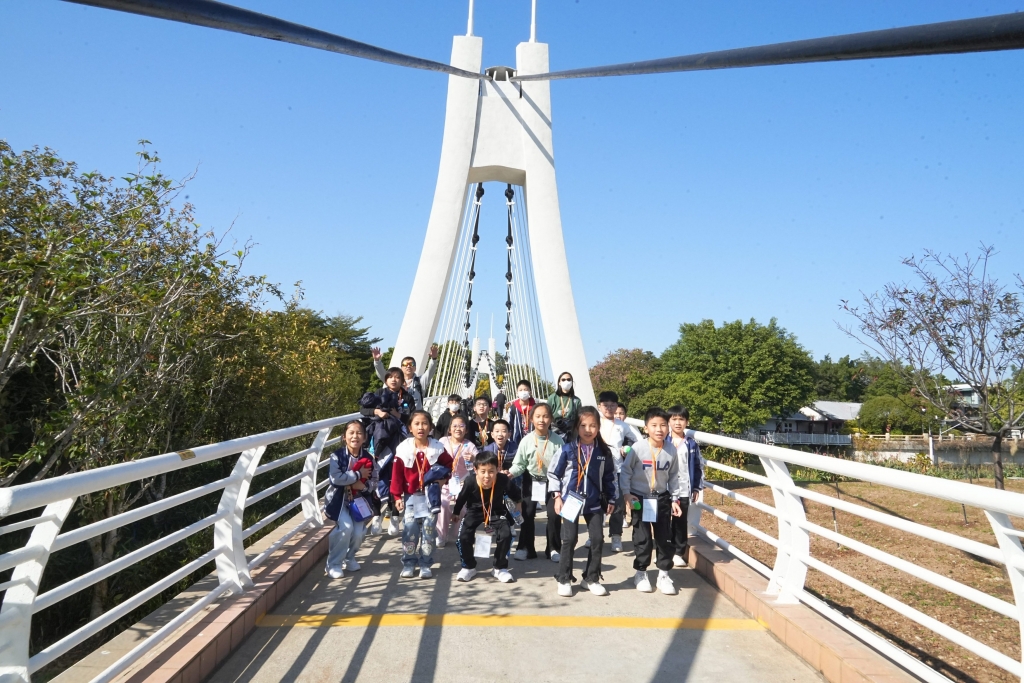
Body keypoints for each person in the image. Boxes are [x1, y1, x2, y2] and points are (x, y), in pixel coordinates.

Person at [548, 407, 617, 597]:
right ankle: (564, 578)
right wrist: (557, 497)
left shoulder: (604, 452)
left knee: (597, 539)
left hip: (594, 503)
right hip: (570, 501)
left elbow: (610, 477)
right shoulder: (567, 449)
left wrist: (611, 498)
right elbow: (553, 474)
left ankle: (591, 578)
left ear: (598, 427)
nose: (588, 430)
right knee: (570, 539)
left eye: (593, 425)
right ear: (576, 427)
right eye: (583, 425)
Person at [619, 407, 686, 595]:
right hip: (640, 498)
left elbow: (674, 476)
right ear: (646, 428)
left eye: (663, 425)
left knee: (664, 537)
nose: (659, 429)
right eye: (654, 425)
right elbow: (626, 472)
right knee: (643, 538)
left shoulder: (671, 449)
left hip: (662, 498)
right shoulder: (638, 448)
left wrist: (675, 499)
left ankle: (664, 574)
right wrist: (626, 494)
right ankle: (641, 573)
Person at [391, 410, 454, 579]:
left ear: (431, 427)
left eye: (425, 423)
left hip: (431, 496)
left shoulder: (437, 448)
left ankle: (426, 563)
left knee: (428, 529)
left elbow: (449, 465)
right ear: (410, 428)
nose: (421, 427)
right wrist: (396, 497)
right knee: (410, 529)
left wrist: (442, 481)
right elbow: (396, 475)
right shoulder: (403, 449)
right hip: (411, 496)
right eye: (417, 424)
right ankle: (409, 562)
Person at [453, 450, 521, 583]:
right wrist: (456, 512)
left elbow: (515, 492)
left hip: (496, 512)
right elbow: (461, 498)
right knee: (463, 536)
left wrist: (519, 503)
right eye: (483, 471)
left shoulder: (502, 479)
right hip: (474, 512)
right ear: (475, 470)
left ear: (497, 470)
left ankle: (500, 568)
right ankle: (468, 567)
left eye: (491, 471)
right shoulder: (470, 481)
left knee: (506, 533)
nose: (487, 476)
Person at [507, 403, 564, 561]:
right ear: (531, 419)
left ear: (551, 419)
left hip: (552, 481)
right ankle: (526, 548)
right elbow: (519, 464)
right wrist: (510, 473)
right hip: (531, 479)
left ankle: (553, 548)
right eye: (538, 416)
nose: (541, 420)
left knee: (554, 514)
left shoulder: (558, 441)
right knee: (527, 513)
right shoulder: (526, 440)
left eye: (545, 416)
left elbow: (564, 465)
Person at [324, 421, 378, 579]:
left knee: (359, 532)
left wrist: (363, 487)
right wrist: (358, 475)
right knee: (346, 527)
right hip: (339, 500)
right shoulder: (336, 456)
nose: (355, 436)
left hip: (359, 500)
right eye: (351, 433)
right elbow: (336, 479)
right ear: (344, 437)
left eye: (359, 433)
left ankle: (349, 557)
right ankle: (333, 563)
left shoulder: (368, 458)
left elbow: (374, 480)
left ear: (365, 437)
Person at [598, 390, 642, 552]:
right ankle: (594, 535)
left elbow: (636, 442)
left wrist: (626, 448)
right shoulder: (594, 422)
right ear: (599, 406)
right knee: (596, 503)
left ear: (616, 406)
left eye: (612, 405)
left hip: (616, 469)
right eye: (606, 405)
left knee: (617, 504)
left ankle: (616, 536)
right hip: (597, 469)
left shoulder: (623, 426)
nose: (609, 408)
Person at [667, 405, 705, 567]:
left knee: (680, 521)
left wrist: (696, 488)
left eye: (681, 419)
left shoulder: (691, 444)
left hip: (683, 488)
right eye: (674, 419)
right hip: (664, 488)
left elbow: (698, 466)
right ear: (668, 421)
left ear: (687, 422)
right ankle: (663, 552)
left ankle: (678, 552)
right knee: (663, 521)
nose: (677, 423)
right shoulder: (663, 441)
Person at [437, 415, 478, 548]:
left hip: (461, 482)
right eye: (454, 426)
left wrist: (473, 459)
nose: (458, 429)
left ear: (466, 430)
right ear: (449, 429)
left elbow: (480, 462)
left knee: (463, 507)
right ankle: (441, 535)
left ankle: (458, 534)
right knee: (443, 505)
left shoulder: (469, 445)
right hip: (444, 481)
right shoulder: (442, 441)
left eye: (461, 426)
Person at [371, 345, 438, 410]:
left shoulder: (420, 381)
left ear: (415, 368)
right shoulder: (395, 381)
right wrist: (377, 361)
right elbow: (382, 374)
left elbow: (430, 371)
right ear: (401, 368)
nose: (408, 366)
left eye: (411, 364)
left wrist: (433, 359)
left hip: (415, 415)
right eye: (405, 364)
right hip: (398, 415)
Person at [546, 372, 582, 440]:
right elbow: (546, 416)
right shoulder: (552, 398)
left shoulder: (577, 401)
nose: (566, 381)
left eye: (569, 379)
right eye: (563, 380)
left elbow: (579, 420)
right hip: (554, 433)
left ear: (572, 382)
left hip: (571, 435)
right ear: (559, 383)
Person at [505, 379, 535, 447]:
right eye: (520, 390)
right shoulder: (512, 408)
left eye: (525, 390)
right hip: (517, 443)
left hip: (533, 442)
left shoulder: (535, 407)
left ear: (530, 392)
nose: (523, 392)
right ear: (517, 393)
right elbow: (509, 426)